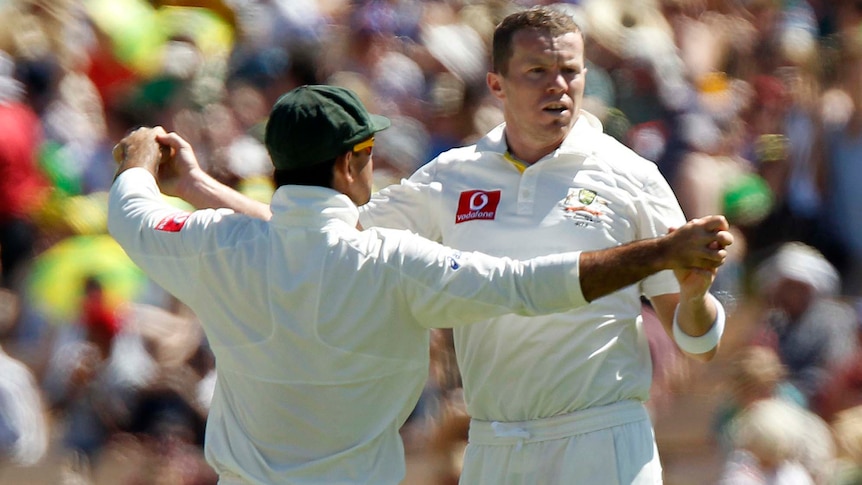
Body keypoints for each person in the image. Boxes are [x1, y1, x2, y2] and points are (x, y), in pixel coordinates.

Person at [108, 84, 731, 484]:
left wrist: (152, 170)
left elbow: (132, 213)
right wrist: (660, 251)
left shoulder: (215, 243)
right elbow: (528, 285)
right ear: (351, 164)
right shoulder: (391, 261)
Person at [357, 7, 729, 483]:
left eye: (569, 71)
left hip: (604, 441)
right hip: (494, 444)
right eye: (537, 72)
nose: (557, 85)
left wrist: (697, 299)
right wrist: (236, 207)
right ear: (497, 85)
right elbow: (336, 234)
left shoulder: (633, 177)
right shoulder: (450, 177)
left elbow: (696, 344)